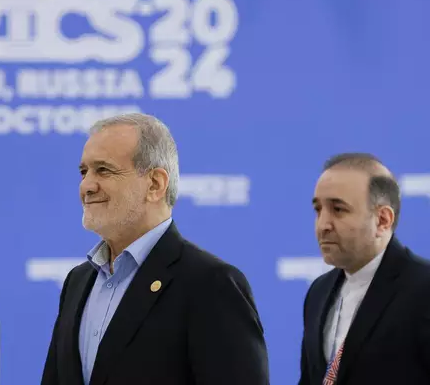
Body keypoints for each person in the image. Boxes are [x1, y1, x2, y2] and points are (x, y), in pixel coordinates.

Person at [41, 113, 269, 385]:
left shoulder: (210, 284)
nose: (86, 185)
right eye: (84, 171)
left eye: (103, 170)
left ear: (155, 184)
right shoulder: (77, 282)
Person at [299, 153, 430, 384]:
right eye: (318, 210)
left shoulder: (427, 289)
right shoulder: (318, 291)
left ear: (383, 220)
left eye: (338, 209)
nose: (323, 225)